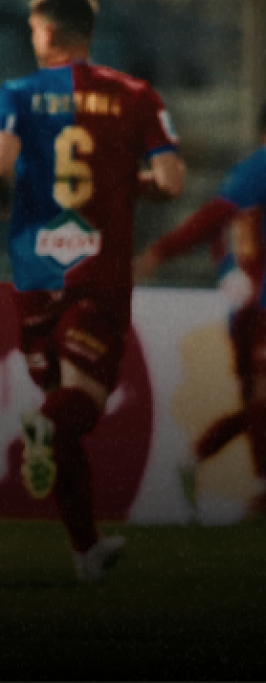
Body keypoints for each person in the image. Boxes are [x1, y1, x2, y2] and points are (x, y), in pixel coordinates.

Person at [0, 0, 185, 582]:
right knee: (78, 410)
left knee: (61, 410)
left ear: (46, 33)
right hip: (97, 273)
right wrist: (126, 182)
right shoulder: (136, 95)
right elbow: (171, 180)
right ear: (88, 32)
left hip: (35, 278)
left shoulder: (17, 93)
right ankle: (46, 430)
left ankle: (86, 551)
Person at [136, 106, 266, 517]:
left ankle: (195, 460)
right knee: (261, 399)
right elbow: (215, 219)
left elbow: (220, 228)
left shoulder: (249, 179)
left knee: (257, 404)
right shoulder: (259, 167)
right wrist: (161, 251)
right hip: (257, 308)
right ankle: (260, 492)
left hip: (250, 306)